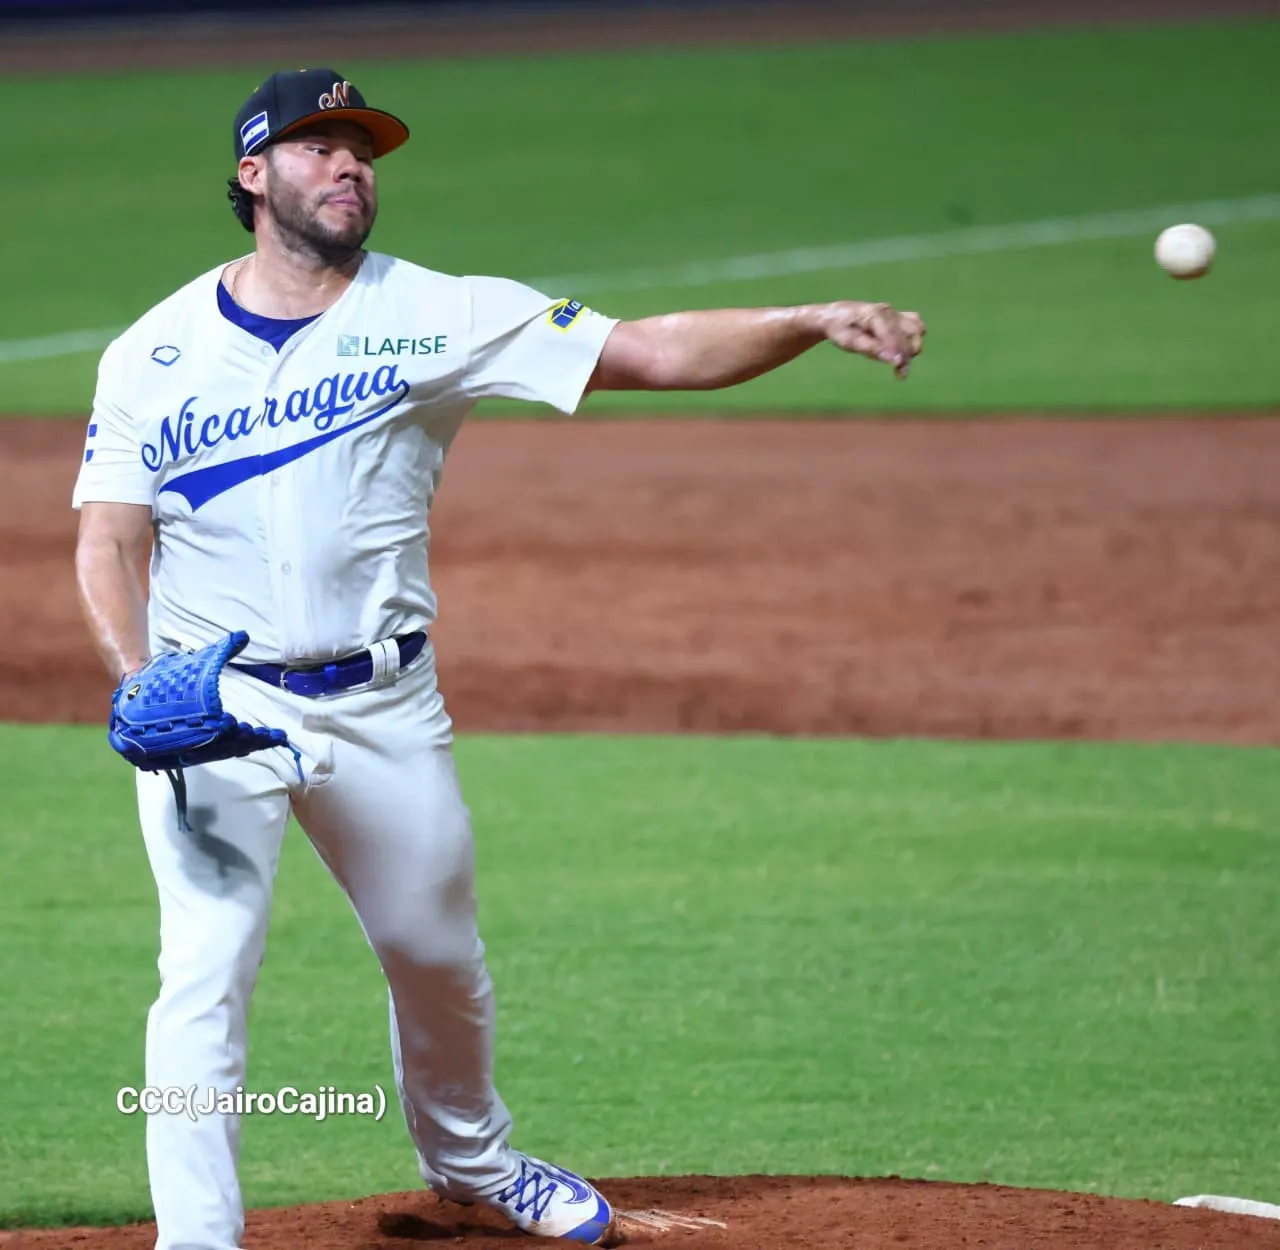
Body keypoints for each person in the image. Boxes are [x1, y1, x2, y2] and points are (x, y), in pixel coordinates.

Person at [72, 68, 925, 1250]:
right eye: (320, 145)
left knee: (438, 961)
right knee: (204, 972)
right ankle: (197, 1236)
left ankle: (473, 1164)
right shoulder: (151, 353)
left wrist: (804, 319)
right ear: (253, 173)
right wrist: (136, 678)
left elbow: (651, 352)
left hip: (383, 702)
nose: (351, 164)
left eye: (362, 148)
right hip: (210, 709)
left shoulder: (439, 311)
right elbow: (109, 536)